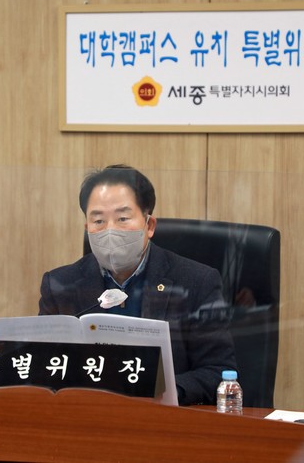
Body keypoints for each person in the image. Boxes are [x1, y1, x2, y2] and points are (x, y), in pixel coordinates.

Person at [38, 164, 237, 405]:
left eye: (122, 218)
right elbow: (42, 366)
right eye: (98, 221)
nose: (110, 231)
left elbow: (217, 372)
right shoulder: (60, 285)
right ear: (87, 228)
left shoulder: (196, 281)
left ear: (149, 225)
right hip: (86, 415)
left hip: (162, 417)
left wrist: (164, 391)